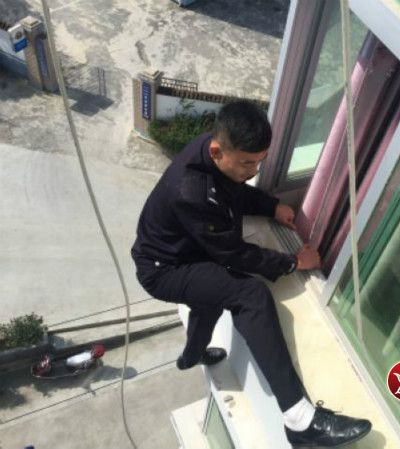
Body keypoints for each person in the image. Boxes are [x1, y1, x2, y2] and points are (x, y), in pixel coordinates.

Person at [131, 100, 372, 447]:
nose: (253, 170)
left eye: (259, 162)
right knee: (249, 295)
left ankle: (192, 355)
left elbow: (234, 190)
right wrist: (293, 262)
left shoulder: (214, 151)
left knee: (209, 299)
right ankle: (299, 419)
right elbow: (234, 253)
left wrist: (271, 206)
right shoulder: (192, 190)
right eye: (248, 163)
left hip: (185, 251)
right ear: (217, 151)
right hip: (163, 269)